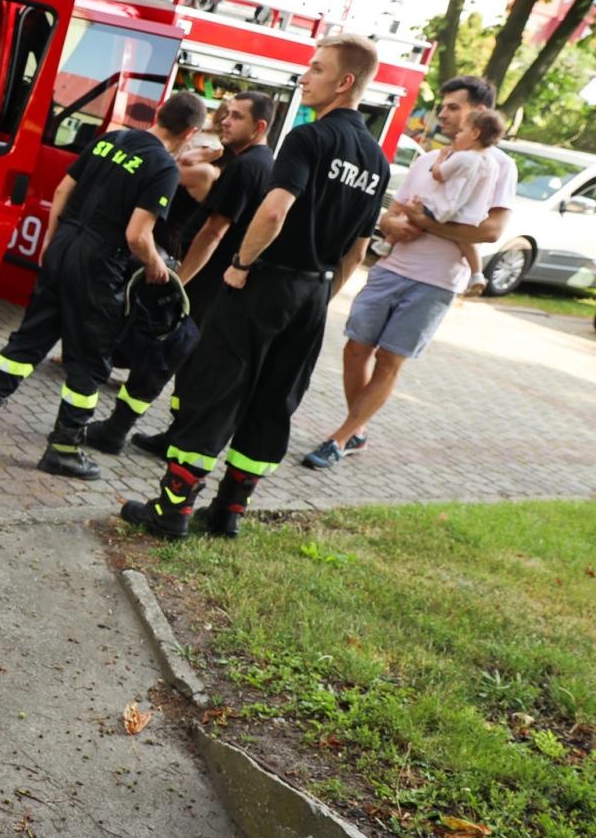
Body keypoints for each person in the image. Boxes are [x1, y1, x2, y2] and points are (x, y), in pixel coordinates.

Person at [120, 35, 389, 538]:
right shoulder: (377, 161)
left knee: (217, 386)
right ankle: (229, 513)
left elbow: (274, 209)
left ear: (344, 82)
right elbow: (357, 251)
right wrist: (320, 297)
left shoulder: (309, 138)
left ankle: (172, 510)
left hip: (266, 283)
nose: (305, 77)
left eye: (316, 68)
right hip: (313, 294)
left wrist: (242, 264)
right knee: (273, 400)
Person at [0, 92, 207, 478]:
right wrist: (157, 266)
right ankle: (63, 449)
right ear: (190, 132)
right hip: (100, 265)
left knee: (29, 339)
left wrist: (50, 242)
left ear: (159, 113)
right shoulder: (163, 167)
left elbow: (62, 191)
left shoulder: (111, 139)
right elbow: (137, 235)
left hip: (63, 248)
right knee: (90, 361)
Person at [301, 76, 518, 470]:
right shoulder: (426, 159)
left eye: (454, 107)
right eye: (444, 106)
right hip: (391, 267)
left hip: (435, 282)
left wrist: (427, 224)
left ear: (479, 114)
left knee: (389, 361)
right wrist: (392, 223)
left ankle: (341, 436)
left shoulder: (499, 165)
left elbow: (491, 231)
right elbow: (393, 210)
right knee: (355, 348)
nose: (443, 114)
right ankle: (358, 429)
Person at [84, 91, 278, 455]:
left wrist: (179, 285)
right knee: (185, 365)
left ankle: (115, 430)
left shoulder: (246, 168)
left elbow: (213, 233)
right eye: (226, 113)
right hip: (216, 288)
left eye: (236, 117)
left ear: (259, 126)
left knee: (158, 357)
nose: (225, 120)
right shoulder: (259, 162)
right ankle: (174, 436)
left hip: (202, 285)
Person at [371, 108, 504, 295]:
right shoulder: (491, 164)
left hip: (443, 208)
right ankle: (477, 274)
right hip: (467, 215)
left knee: (412, 209)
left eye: (461, 132)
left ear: (475, 133)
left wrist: (441, 159)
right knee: (467, 244)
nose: (457, 136)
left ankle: (387, 244)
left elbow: (439, 174)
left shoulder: (463, 157)